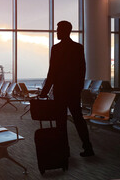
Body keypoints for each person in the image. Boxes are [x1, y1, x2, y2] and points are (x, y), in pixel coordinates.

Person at [39, 20, 94, 157]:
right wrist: (79, 88)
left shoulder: (56, 49)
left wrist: (45, 91)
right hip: (73, 90)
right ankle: (88, 147)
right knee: (78, 119)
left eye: (58, 30)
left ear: (65, 31)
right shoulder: (78, 47)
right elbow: (82, 69)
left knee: (61, 121)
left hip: (60, 90)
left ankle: (64, 149)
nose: (57, 32)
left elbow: (52, 72)